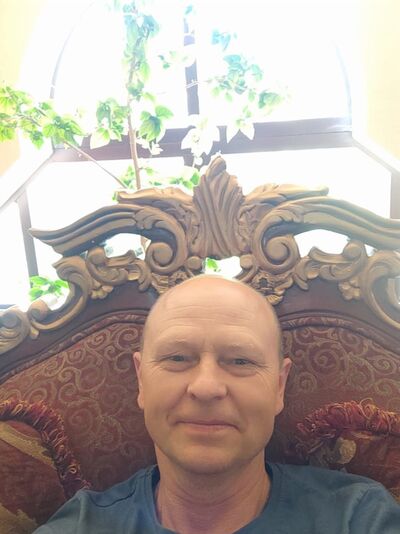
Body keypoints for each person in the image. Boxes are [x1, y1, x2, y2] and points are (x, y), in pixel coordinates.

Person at [35, 275, 400, 533]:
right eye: (177, 358)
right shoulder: (80, 527)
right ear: (141, 380)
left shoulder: (357, 518)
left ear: (279, 386)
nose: (206, 387)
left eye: (240, 360)